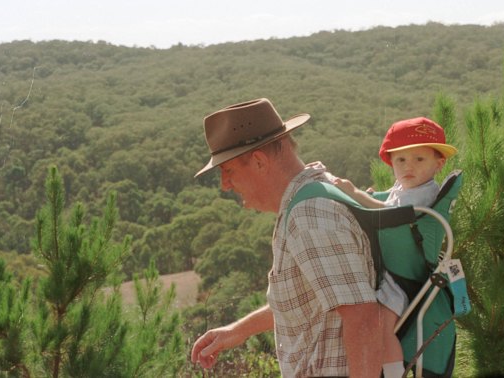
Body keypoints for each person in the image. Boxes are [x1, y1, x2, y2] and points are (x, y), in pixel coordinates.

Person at [191, 98, 405, 378]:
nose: (225, 185)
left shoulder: (309, 215)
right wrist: (237, 331)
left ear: (258, 161)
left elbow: (362, 317)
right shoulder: (313, 194)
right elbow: (313, 301)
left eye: (228, 171)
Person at [332, 116, 458, 377]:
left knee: (380, 328)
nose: (408, 166)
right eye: (400, 160)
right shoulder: (407, 186)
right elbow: (389, 199)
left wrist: (357, 195)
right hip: (395, 271)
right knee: (378, 326)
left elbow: (392, 213)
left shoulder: (423, 193)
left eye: (419, 159)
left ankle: (392, 373)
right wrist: (371, 195)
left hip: (403, 277)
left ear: (439, 163)